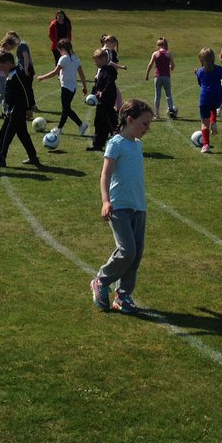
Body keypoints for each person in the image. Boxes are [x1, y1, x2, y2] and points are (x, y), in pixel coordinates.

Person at [90, 99, 155, 314]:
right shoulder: (116, 143)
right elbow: (105, 174)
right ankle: (101, 280)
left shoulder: (137, 145)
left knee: (136, 254)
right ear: (129, 120)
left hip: (139, 206)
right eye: (144, 123)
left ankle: (123, 295)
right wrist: (106, 200)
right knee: (127, 250)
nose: (147, 128)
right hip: (119, 206)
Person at [0, 50, 41, 168]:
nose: (1, 70)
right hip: (12, 109)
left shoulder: (17, 74)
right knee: (22, 134)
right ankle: (33, 157)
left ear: (9, 63)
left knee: (7, 133)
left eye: (2, 67)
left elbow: (27, 91)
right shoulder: (11, 74)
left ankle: (1, 158)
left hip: (17, 110)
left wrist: (30, 107)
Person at [36, 38, 90, 135]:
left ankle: (81, 124)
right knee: (65, 109)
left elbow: (55, 72)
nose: (59, 53)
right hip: (73, 88)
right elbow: (82, 74)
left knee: (66, 109)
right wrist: (84, 87)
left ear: (62, 49)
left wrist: (42, 77)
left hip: (66, 88)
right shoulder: (76, 58)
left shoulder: (63, 58)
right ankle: (59, 128)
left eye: (59, 50)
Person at [195, 47, 222, 154]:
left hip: (205, 97)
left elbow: (200, 83)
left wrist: (197, 73)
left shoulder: (200, 71)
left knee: (204, 123)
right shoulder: (219, 69)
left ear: (201, 60)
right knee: (214, 108)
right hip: (217, 97)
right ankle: (214, 122)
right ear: (213, 58)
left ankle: (206, 145)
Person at [88, 47, 119, 152]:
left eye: (97, 61)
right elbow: (97, 84)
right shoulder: (101, 70)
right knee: (99, 122)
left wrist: (103, 92)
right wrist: (92, 95)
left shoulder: (108, 70)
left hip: (107, 100)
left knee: (110, 122)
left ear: (104, 60)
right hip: (101, 101)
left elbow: (109, 83)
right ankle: (98, 144)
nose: (95, 63)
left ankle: (120, 140)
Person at [143, 37, 176, 119]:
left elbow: (150, 65)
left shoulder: (155, 54)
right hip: (166, 77)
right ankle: (171, 110)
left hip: (157, 77)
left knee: (157, 95)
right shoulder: (169, 54)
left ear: (159, 45)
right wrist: (171, 67)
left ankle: (157, 114)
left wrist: (147, 75)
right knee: (168, 94)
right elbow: (173, 65)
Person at [100, 34, 127, 108]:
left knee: (111, 92)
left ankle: (116, 106)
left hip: (104, 75)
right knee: (115, 93)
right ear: (110, 43)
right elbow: (109, 62)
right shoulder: (106, 51)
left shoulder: (103, 50)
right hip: (106, 75)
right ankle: (118, 107)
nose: (114, 47)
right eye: (114, 45)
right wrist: (121, 67)